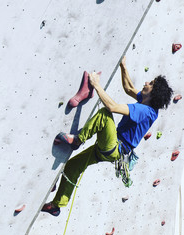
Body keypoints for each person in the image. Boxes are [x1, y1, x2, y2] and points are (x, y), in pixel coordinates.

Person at [41, 56, 173, 216]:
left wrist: (96, 85)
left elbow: (112, 107)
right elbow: (128, 88)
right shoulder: (147, 104)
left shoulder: (145, 111)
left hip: (114, 147)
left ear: (154, 93)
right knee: (73, 166)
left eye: (150, 84)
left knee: (104, 115)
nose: (146, 83)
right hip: (113, 151)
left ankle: (77, 140)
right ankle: (57, 205)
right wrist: (123, 66)